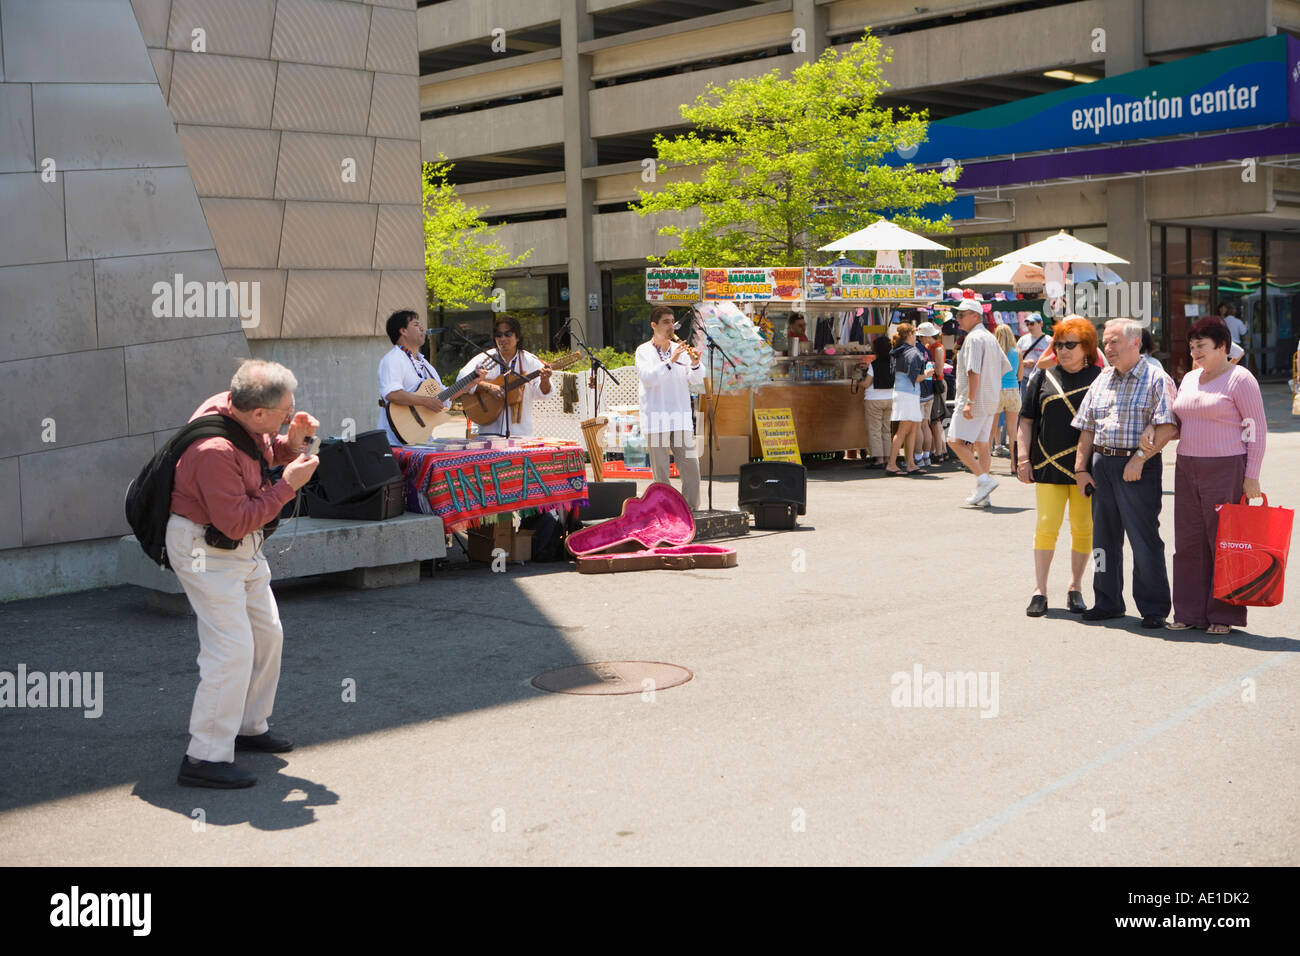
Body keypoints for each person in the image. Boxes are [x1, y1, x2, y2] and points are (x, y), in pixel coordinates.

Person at [168, 360, 320, 788]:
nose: (290, 418)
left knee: (267, 633)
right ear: (256, 413)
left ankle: (249, 726)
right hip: (206, 548)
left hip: (237, 547)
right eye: (284, 415)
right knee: (230, 651)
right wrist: (288, 484)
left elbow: (262, 454)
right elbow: (235, 521)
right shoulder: (212, 451)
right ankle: (204, 757)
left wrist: (289, 444)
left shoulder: (235, 412)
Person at [1156, 317, 1268, 635]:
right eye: (1192, 347)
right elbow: (1182, 422)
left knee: (1224, 542)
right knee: (1188, 543)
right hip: (1187, 467)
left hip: (1226, 467)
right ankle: (1190, 612)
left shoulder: (1240, 379)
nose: (1195, 352)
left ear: (1222, 346)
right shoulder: (1190, 378)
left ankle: (1225, 614)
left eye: (1201, 346)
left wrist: (1252, 475)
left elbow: (1256, 430)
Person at [1071, 318, 1179, 628]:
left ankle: (1154, 607)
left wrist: (1140, 459)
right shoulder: (1103, 379)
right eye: (1106, 342)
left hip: (1137, 468)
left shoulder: (1156, 379)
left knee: (1143, 539)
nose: (1107, 348)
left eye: (1114, 341)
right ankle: (1106, 601)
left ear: (1135, 343)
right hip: (1101, 466)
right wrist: (1081, 469)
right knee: (1103, 541)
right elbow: (1087, 428)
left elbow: (1168, 427)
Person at [1016, 317, 1102, 617]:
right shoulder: (1042, 377)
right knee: (1046, 527)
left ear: (1087, 347)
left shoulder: (1100, 378)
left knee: (1083, 528)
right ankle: (1039, 590)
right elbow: (1026, 419)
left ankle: (1075, 587)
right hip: (1048, 466)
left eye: (1070, 345)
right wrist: (1023, 458)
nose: (1062, 350)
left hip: (1085, 470)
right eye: (1058, 344)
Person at [636, 305, 705, 508]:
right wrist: (670, 361)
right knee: (661, 473)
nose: (670, 326)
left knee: (691, 468)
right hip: (656, 418)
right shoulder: (643, 351)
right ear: (653, 325)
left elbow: (696, 378)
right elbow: (648, 378)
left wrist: (694, 363)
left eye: (671, 322)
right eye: (665, 322)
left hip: (681, 417)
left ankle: (691, 511)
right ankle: (665, 513)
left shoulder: (680, 349)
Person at [948, 299, 1011, 506]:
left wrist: (970, 400)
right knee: (982, 444)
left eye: (962, 315)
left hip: (974, 399)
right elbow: (1004, 366)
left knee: (954, 441)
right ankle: (984, 492)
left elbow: (973, 371)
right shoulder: (989, 338)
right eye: (958, 315)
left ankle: (983, 481)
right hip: (989, 398)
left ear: (975, 315)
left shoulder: (974, 338)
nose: (958, 319)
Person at [457, 315, 552, 437]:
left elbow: (543, 393)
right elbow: (461, 379)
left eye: (508, 334)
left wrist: (545, 381)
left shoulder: (531, 361)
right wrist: (487, 387)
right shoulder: (485, 359)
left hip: (520, 433)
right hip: (488, 432)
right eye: (498, 335)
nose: (503, 338)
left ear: (517, 337)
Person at [379, 309, 449, 446]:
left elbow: (442, 395)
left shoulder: (426, 364)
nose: (423, 328)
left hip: (423, 438)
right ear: (403, 331)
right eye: (416, 325)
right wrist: (425, 401)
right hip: (395, 441)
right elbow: (392, 393)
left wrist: (468, 385)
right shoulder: (393, 359)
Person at [886, 322, 929, 475]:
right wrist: (928, 375)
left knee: (911, 428)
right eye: (915, 332)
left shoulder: (899, 351)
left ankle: (910, 463)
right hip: (908, 394)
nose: (916, 335)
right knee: (905, 429)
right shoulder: (911, 352)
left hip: (904, 393)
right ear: (910, 334)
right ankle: (892, 464)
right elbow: (916, 378)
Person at [989, 323, 1021, 465]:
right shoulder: (1017, 352)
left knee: (991, 429)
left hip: (996, 390)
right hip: (1013, 390)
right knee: (1012, 431)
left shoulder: (993, 351)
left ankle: (986, 464)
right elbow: (1020, 377)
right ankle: (1014, 464)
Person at [917, 321, 948, 463]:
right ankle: (940, 450)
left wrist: (929, 370)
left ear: (928, 336)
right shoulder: (929, 347)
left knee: (935, 420)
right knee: (933, 420)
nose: (920, 339)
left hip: (936, 384)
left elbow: (940, 370)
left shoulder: (937, 348)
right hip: (931, 384)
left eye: (922, 336)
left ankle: (940, 451)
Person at [861, 334, 894, 469]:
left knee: (875, 430)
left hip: (874, 399)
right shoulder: (894, 362)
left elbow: (866, 383)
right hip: (890, 398)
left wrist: (858, 382)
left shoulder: (874, 365)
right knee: (887, 430)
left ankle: (878, 459)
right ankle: (887, 457)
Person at [1017, 317, 1050, 395]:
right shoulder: (1023, 340)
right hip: (1024, 379)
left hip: (1043, 380)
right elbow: (1014, 358)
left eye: (1032, 324)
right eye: (1027, 324)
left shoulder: (1049, 341)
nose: (1029, 327)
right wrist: (1024, 363)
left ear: (1041, 324)